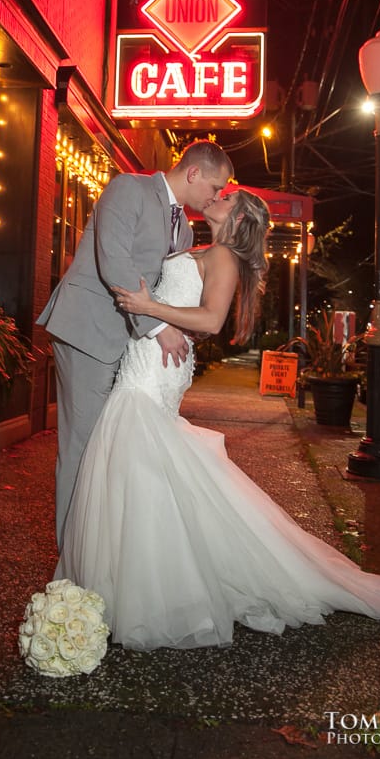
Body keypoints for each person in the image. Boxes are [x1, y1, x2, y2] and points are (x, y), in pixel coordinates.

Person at [54, 188, 380, 651]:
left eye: (225, 197)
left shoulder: (224, 256)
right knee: (141, 465)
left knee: (137, 456)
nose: (216, 197)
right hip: (146, 358)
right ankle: (135, 582)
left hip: (154, 369)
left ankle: (143, 589)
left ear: (239, 218)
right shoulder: (200, 246)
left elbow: (211, 320)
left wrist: (150, 311)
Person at [36, 139, 234, 546]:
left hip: (129, 348)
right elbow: (114, 261)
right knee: (83, 448)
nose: (216, 196)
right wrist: (159, 328)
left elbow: (164, 288)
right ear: (194, 172)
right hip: (88, 330)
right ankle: (70, 560)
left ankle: (98, 550)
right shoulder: (129, 188)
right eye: (215, 187)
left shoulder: (184, 228)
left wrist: (186, 322)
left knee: (110, 449)